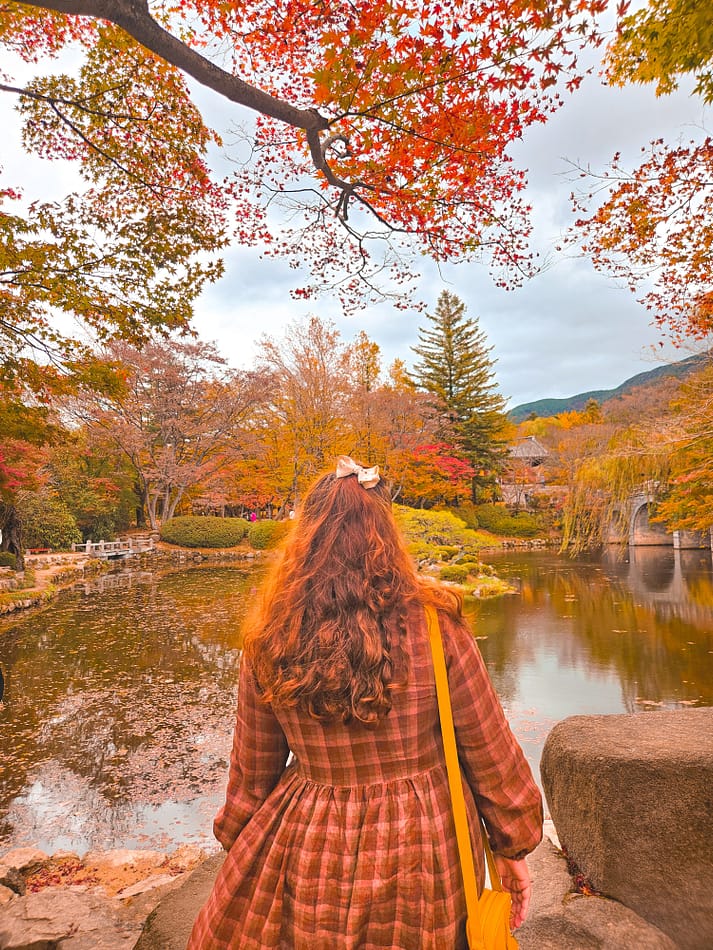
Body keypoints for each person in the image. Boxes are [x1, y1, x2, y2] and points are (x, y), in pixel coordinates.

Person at [188, 457, 543, 949]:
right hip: (426, 838)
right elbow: (490, 751)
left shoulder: (272, 635)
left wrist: (238, 841)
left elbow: (252, 771)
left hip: (311, 836)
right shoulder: (436, 626)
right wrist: (512, 846)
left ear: (306, 537)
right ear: (388, 533)